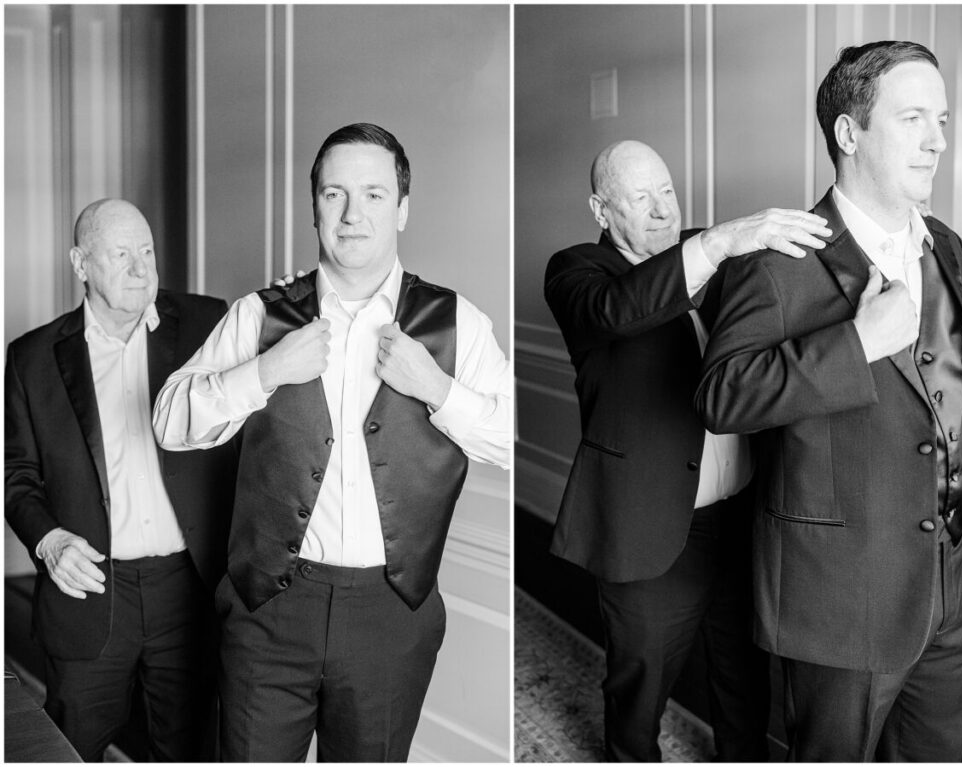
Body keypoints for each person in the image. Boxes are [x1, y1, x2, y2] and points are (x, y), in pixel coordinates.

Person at [695, 41, 962, 761]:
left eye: (942, 118)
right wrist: (855, 345)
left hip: (954, 582)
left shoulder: (946, 244)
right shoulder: (778, 259)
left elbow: (948, 386)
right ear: (849, 132)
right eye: (912, 119)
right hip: (841, 593)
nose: (938, 140)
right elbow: (721, 396)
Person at [152, 122, 511, 762]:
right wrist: (264, 371)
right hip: (268, 613)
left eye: (373, 195)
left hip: (391, 615)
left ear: (402, 209)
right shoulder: (259, 317)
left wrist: (436, 388)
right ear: (314, 204)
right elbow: (171, 423)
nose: (351, 215)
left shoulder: (458, 323)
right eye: (333, 194)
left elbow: (508, 440)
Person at [543, 139, 832, 761]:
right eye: (639, 197)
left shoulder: (717, 254)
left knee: (744, 673)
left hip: (742, 517)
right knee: (640, 685)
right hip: (648, 526)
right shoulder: (575, 273)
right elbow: (618, 310)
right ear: (601, 210)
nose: (662, 211)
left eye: (667, 192)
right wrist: (720, 243)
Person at [4, 198, 237, 761]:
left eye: (148, 251)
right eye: (121, 254)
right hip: (88, 592)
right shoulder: (33, 357)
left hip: (188, 589)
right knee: (70, 747)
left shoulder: (211, 324)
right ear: (81, 264)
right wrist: (48, 539)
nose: (142, 268)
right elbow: (16, 473)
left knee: (189, 749)